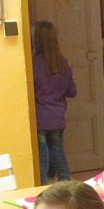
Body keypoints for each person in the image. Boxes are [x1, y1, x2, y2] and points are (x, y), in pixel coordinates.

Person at [32, 20, 77, 184]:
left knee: (42, 156)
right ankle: (65, 183)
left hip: (40, 118)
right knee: (58, 152)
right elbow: (72, 91)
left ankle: (42, 187)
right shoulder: (62, 63)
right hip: (57, 118)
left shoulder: (33, 63)